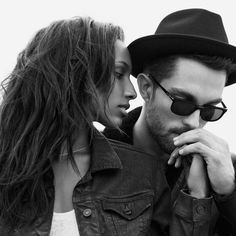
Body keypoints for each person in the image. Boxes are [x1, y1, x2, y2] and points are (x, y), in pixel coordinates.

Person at [0, 16, 174, 235]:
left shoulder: (143, 173)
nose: (131, 91)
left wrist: (199, 196)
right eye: (119, 74)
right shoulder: (7, 170)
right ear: (76, 74)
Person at [104, 8, 236, 235]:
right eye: (183, 103)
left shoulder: (225, 173)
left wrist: (228, 194)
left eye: (210, 110)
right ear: (146, 88)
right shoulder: (90, 158)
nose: (195, 123)